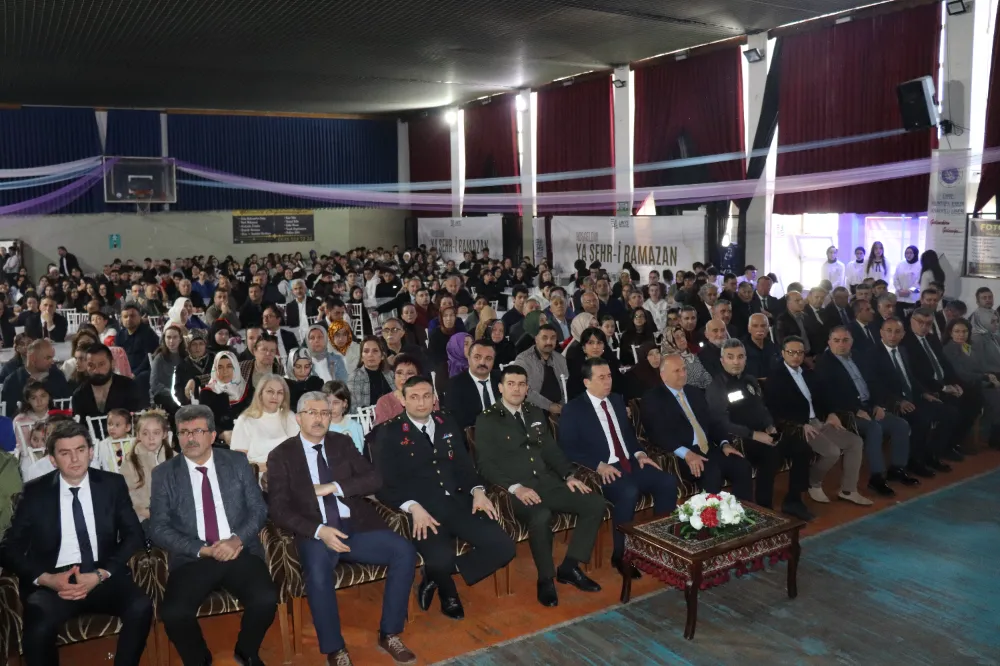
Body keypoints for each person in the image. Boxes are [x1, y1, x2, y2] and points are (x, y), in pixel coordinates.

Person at [266, 391, 418, 666]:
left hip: (353, 526)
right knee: (318, 571)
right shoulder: (281, 455)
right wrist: (319, 531)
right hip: (315, 532)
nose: (319, 419)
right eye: (312, 413)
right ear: (298, 418)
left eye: (324, 413)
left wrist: (334, 487)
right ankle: (335, 649)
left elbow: (373, 479)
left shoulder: (341, 443)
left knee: (404, 551)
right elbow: (278, 509)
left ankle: (390, 633)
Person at [0, 419, 152, 666]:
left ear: (90, 452)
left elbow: (134, 534)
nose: (74, 459)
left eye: (80, 450)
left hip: (101, 575)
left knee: (141, 606)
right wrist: (47, 579)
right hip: (55, 582)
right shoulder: (35, 492)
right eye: (65, 453)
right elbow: (8, 547)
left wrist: (101, 574)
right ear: (52, 459)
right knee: (37, 630)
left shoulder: (111, 484)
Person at [374, 376, 515, 620]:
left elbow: (464, 466)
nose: (421, 403)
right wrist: (412, 507)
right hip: (423, 511)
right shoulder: (389, 432)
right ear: (403, 400)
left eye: (426, 396)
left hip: (458, 502)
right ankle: (448, 591)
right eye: (414, 397)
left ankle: (436, 574)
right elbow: (383, 485)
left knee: (504, 547)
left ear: (434, 398)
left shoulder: (446, 421)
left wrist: (477, 491)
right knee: (440, 556)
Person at [149, 404, 278, 666]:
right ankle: (199, 659)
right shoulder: (164, 474)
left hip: (239, 551)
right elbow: (158, 527)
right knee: (173, 613)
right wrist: (201, 549)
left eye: (197, 431)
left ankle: (246, 651)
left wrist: (236, 539)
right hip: (193, 557)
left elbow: (258, 509)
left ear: (212, 435)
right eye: (183, 432)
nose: (190, 438)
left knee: (266, 599)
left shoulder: (236, 463)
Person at [474, 365, 604, 606]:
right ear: (500, 388)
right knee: (541, 516)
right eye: (510, 384)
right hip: (514, 491)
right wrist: (515, 488)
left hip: (546, 482)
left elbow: (551, 450)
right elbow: (485, 465)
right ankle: (545, 579)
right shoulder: (487, 419)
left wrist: (569, 475)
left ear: (527, 389)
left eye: (521, 384)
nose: (516, 389)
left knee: (594, 503)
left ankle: (570, 566)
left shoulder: (534, 412)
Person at [559, 357, 677, 577]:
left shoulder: (615, 400)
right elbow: (568, 448)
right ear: (587, 382)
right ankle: (621, 555)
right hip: (601, 470)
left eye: (609, 376)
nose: (607, 382)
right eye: (601, 378)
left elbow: (627, 436)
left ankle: (660, 542)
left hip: (629, 462)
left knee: (667, 482)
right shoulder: (573, 409)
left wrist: (640, 454)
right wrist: (598, 465)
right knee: (627, 491)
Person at [706, 339, 814, 519]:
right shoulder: (717, 386)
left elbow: (762, 408)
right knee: (771, 454)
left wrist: (770, 425)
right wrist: (754, 435)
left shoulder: (750, 380)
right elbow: (721, 423)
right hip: (739, 438)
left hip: (763, 432)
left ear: (745, 359)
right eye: (730, 357)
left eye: (740, 357)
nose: (736, 361)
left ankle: (793, 501)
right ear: (722, 360)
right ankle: (765, 507)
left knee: (802, 448)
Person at [767, 336, 873, 508]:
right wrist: (800, 425)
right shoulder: (776, 377)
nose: (796, 356)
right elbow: (775, 410)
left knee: (855, 442)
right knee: (832, 451)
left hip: (818, 421)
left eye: (800, 352)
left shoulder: (808, 372)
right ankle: (813, 483)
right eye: (791, 352)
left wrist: (831, 413)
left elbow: (824, 396)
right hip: (796, 427)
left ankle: (848, 490)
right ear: (783, 353)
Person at [817, 326, 919, 496]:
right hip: (845, 412)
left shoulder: (858, 356)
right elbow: (828, 395)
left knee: (900, 425)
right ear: (829, 342)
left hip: (868, 406)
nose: (841, 344)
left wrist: (877, 404)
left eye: (845, 340)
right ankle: (876, 477)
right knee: (874, 428)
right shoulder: (824, 363)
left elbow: (873, 382)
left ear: (851, 342)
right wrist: (855, 410)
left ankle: (897, 468)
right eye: (836, 340)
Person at [640, 354, 752, 500]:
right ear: (663, 376)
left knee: (742, 466)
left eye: (684, 369)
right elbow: (657, 433)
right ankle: (711, 514)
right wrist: (686, 453)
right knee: (711, 472)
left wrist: (724, 443)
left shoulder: (694, 392)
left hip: (708, 448)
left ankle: (742, 511)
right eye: (677, 371)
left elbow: (712, 422)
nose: (683, 374)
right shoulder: (653, 398)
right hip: (680, 455)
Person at [867, 318, 953, 477]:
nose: (893, 335)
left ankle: (931, 455)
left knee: (947, 413)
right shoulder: (872, 354)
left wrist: (925, 393)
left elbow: (910, 378)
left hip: (912, 397)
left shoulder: (903, 350)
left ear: (903, 334)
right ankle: (914, 461)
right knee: (922, 419)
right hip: (891, 401)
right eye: (889, 331)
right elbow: (875, 385)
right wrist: (898, 401)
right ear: (881, 333)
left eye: (897, 332)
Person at [903, 307, 979, 459]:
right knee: (952, 409)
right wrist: (943, 388)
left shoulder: (931, 338)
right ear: (912, 321)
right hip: (926, 388)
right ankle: (937, 450)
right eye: (920, 322)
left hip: (943, 383)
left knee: (974, 400)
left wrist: (956, 383)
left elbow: (944, 364)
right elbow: (916, 374)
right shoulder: (906, 342)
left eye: (928, 323)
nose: (924, 326)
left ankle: (951, 444)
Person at [943, 318, 1000, 449]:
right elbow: (961, 373)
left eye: (964, 331)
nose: (961, 335)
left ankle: (992, 436)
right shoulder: (949, 348)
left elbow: (980, 368)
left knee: (995, 394)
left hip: (975, 383)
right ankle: (960, 440)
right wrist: (986, 377)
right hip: (959, 386)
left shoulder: (968, 347)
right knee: (987, 399)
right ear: (950, 333)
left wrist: (990, 378)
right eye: (957, 331)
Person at [230, 374, 300, 468]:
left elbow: (299, 452)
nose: (275, 396)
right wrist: (271, 467)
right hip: (258, 474)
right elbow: (238, 463)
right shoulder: (245, 420)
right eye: (270, 391)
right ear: (260, 394)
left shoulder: (290, 417)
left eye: (280, 393)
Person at [121, 410, 173, 534]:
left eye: (156, 432)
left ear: (164, 434)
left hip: (172, 515)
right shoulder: (131, 461)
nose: (151, 438)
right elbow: (127, 493)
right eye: (145, 433)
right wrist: (145, 511)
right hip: (144, 516)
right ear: (138, 435)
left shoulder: (174, 458)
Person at [72, 345, 141, 420]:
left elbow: (137, 420)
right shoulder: (79, 395)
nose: (96, 370)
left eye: (101, 364)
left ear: (112, 363)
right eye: (91, 365)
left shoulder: (129, 386)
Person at [444, 339, 500, 430]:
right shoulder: (455, 385)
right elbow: (455, 421)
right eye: (477, 357)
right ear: (469, 358)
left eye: (488, 358)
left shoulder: (503, 379)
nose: (482, 362)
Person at [514, 324, 569, 417]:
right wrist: (549, 406)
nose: (549, 342)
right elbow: (522, 389)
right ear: (536, 339)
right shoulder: (524, 360)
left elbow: (566, 387)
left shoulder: (560, 359)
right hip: (532, 410)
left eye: (553, 338)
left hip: (559, 411)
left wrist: (562, 407)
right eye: (544, 338)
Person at [197, 351, 252, 443]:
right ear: (215, 370)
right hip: (218, 443)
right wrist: (222, 434)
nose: (225, 371)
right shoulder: (207, 393)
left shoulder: (248, 390)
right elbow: (204, 422)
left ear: (235, 368)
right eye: (220, 367)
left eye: (229, 366)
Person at [2, 339, 72, 408]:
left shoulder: (58, 376)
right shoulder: (12, 382)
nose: (52, 361)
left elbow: (67, 405)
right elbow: (10, 412)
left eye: (52, 357)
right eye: (48, 358)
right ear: (32, 358)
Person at [374, 354, 438, 426]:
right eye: (399, 373)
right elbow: (381, 430)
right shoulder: (384, 402)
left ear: (418, 377)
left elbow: (437, 425)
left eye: (409, 373)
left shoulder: (428, 397)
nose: (404, 377)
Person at [115, 304, 159, 402]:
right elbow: (117, 356)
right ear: (121, 319)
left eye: (132, 316)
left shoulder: (148, 333)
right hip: (126, 369)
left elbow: (149, 358)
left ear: (139, 317)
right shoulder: (120, 335)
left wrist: (134, 373)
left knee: (141, 378)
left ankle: (141, 406)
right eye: (125, 316)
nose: (129, 319)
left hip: (145, 369)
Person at [347, 336, 394, 413]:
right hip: (369, 418)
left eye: (375, 351)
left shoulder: (390, 374)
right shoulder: (355, 376)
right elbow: (354, 408)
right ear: (361, 357)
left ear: (382, 356)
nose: (370, 355)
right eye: (366, 351)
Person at [660, 324, 713, 389]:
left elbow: (706, 375)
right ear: (669, 341)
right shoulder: (670, 363)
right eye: (677, 338)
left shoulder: (693, 356)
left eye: (682, 336)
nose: (682, 339)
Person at [150, 323, 187, 409]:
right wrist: (172, 393)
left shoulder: (186, 357)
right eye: (168, 337)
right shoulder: (159, 358)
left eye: (175, 337)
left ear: (180, 339)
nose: (171, 341)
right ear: (164, 339)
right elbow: (154, 384)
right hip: (165, 395)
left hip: (183, 393)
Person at [322, 381, 366, 453]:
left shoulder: (354, 427)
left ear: (344, 403)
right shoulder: (321, 426)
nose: (331, 407)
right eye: (328, 402)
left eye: (336, 403)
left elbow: (358, 453)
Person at [893, 245, 922, 315]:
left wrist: (909, 291)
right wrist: (899, 289)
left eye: (911, 253)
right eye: (906, 253)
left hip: (913, 299)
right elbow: (895, 278)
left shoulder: (921, 266)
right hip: (899, 298)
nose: (908, 255)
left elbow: (919, 283)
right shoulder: (900, 264)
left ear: (915, 253)